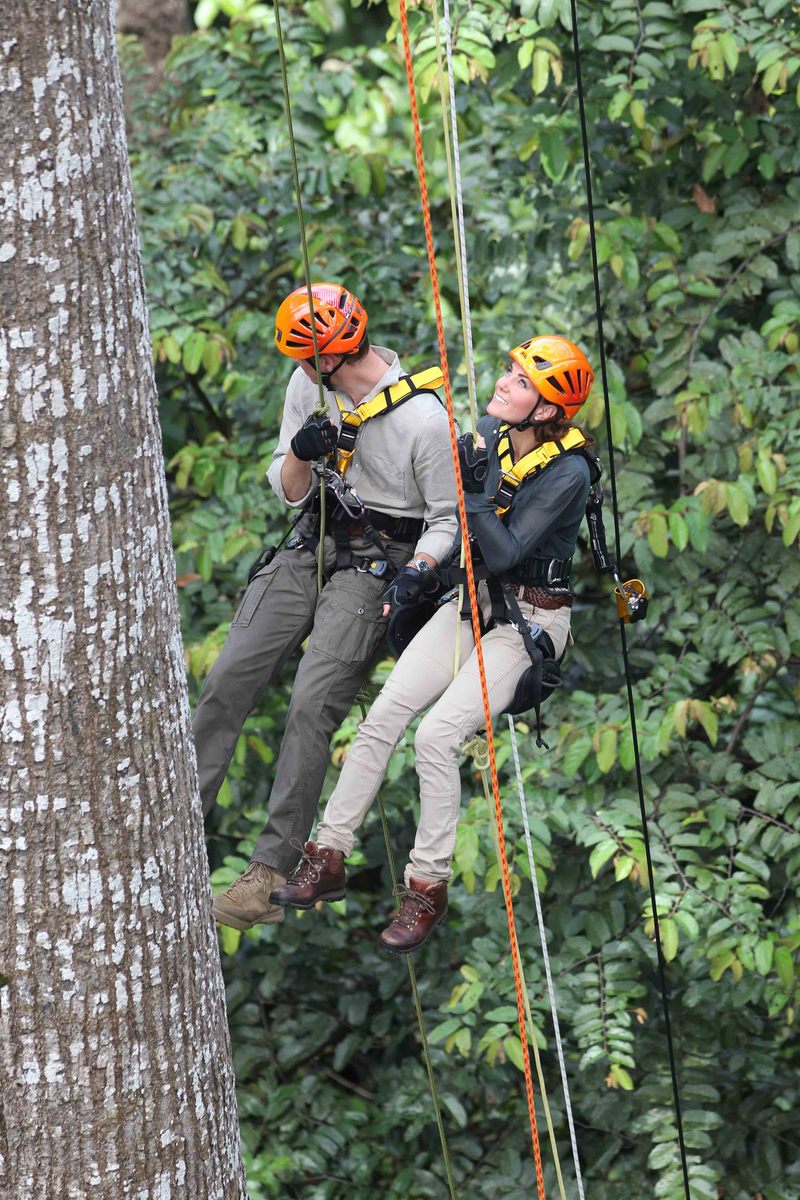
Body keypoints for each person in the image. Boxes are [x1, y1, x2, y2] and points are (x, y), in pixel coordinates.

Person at [268, 335, 596, 953]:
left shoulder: (569, 473)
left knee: (437, 736)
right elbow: (462, 533)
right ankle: (328, 853)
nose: (504, 384)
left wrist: (468, 491)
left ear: (549, 409)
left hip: (528, 621)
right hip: (472, 605)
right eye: (509, 372)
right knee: (383, 717)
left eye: (522, 382)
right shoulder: (491, 435)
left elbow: (503, 548)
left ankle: (426, 886)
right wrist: (422, 566)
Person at [197, 281, 458, 931]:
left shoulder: (424, 419)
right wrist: (300, 453)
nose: (300, 369)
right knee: (230, 674)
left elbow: (448, 521)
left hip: (381, 560)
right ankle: (178, 818)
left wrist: (416, 576)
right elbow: (289, 491)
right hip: (311, 539)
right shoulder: (307, 389)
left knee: (313, 703)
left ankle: (270, 871)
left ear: (331, 358)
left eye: (305, 358)